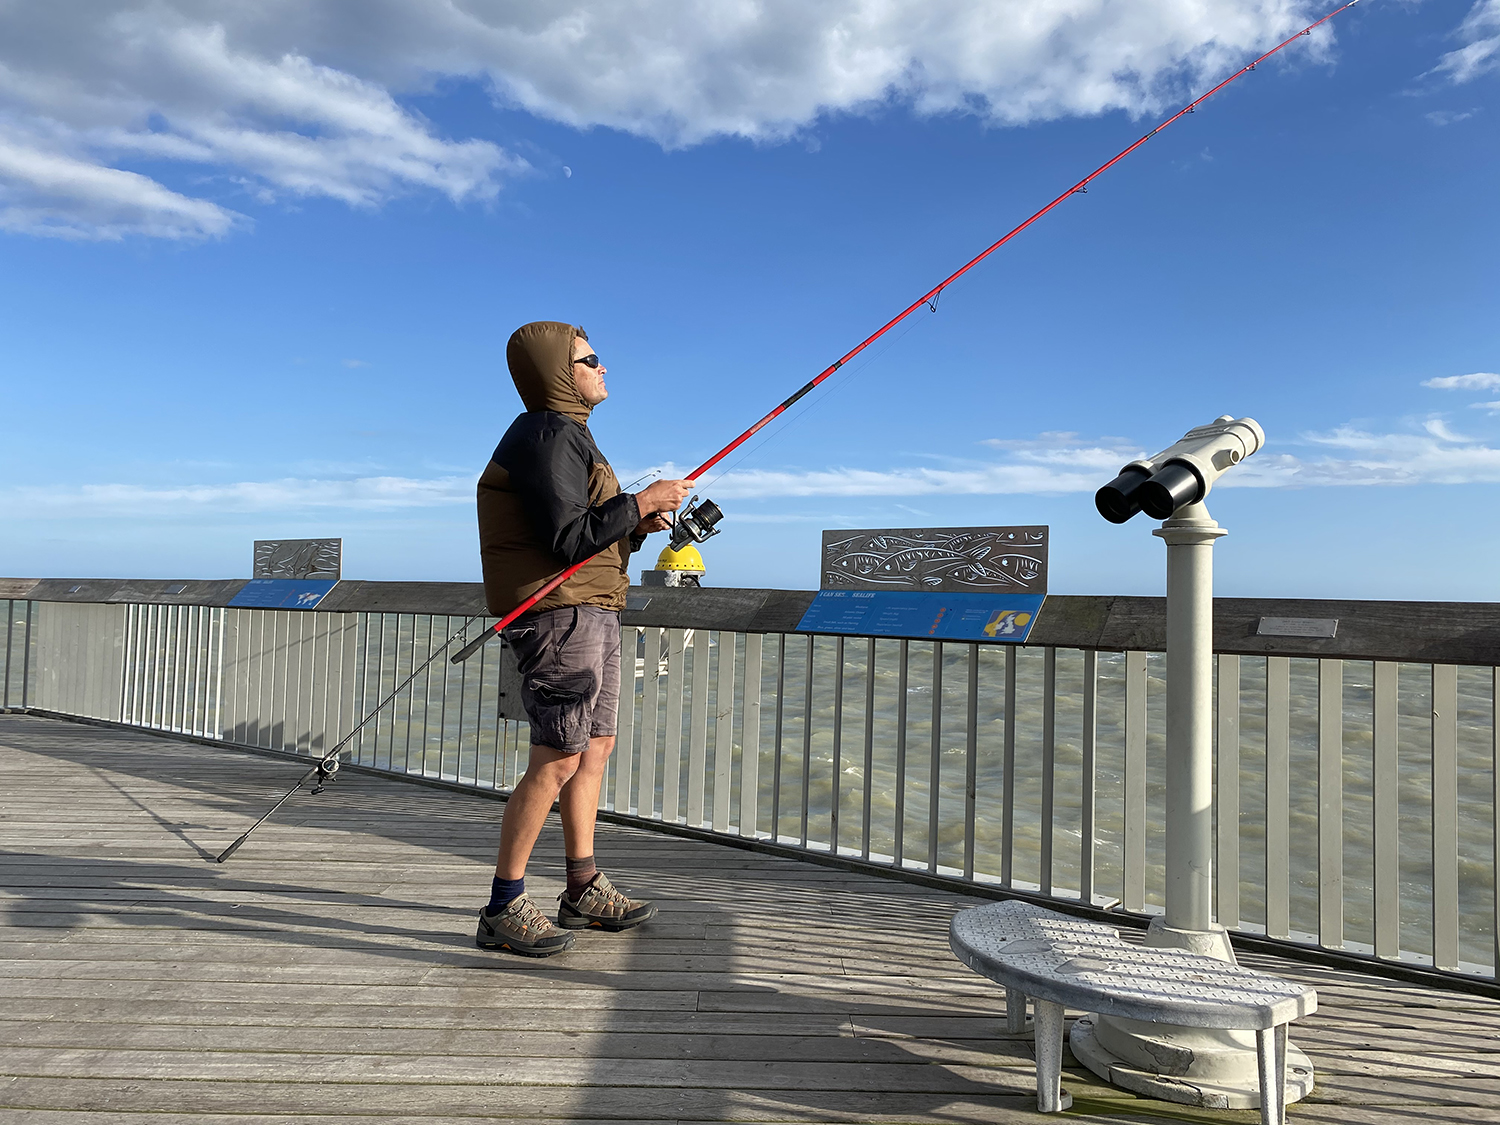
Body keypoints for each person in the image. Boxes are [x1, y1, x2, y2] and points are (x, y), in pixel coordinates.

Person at [473, 320, 693, 956]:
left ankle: (581, 886)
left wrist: (641, 519)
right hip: (559, 614)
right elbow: (568, 539)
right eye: (591, 359)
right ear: (556, 371)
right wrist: (640, 498)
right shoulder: (548, 434)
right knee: (559, 756)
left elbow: (586, 537)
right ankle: (503, 906)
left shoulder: (569, 437)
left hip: (590, 607)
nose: (604, 368)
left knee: (593, 749)